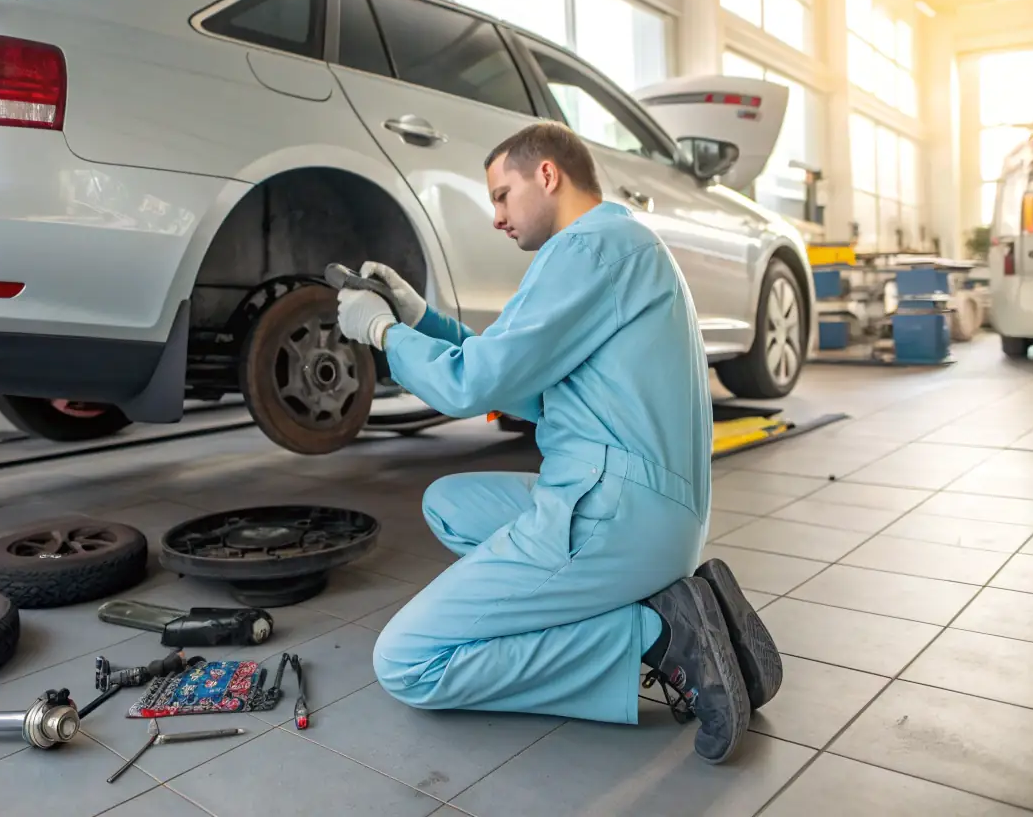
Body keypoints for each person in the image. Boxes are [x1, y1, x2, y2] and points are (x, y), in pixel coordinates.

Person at [335, 121, 782, 764]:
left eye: (500, 195)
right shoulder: (621, 248)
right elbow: (515, 382)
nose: (496, 217)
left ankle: (656, 634)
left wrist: (380, 332)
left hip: (611, 511)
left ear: (547, 175)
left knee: (406, 662)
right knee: (447, 503)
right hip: (646, 506)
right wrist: (418, 318)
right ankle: (667, 602)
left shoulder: (586, 251)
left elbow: (471, 385)